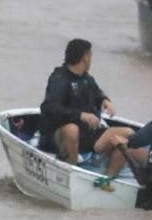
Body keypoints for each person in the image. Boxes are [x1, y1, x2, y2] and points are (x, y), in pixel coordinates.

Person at [39, 39, 133, 190]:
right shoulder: (59, 79)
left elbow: (97, 94)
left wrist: (104, 100)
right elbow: (49, 107)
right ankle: (70, 176)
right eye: (91, 56)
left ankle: (107, 179)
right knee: (72, 130)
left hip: (89, 134)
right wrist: (80, 115)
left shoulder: (87, 79)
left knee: (127, 134)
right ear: (85, 57)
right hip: (59, 135)